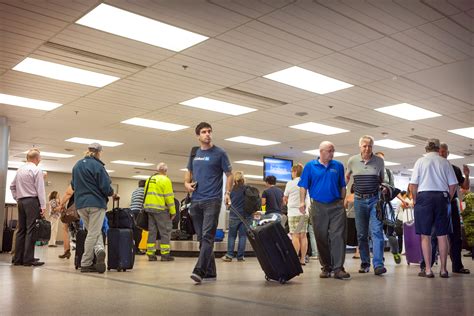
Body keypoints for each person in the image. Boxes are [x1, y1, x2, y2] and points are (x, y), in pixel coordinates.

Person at [185, 122, 233, 284]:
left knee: (207, 237)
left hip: (212, 200)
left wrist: (227, 193)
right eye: (204, 132)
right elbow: (188, 174)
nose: (207, 134)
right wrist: (186, 185)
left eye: (209, 131)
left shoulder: (220, 153)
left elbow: (230, 175)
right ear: (198, 136)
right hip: (196, 201)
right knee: (201, 238)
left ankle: (200, 270)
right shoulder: (194, 153)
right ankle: (211, 272)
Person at [299, 141, 350, 280]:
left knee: (338, 236)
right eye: (329, 151)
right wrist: (302, 201)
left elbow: (343, 185)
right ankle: (327, 266)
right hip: (318, 206)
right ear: (321, 151)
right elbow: (303, 186)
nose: (332, 153)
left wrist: (342, 200)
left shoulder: (338, 166)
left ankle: (338, 268)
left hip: (336, 206)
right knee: (321, 237)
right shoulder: (310, 166)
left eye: (333, 151)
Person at [409, 138, 457, 278]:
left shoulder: (420, 161)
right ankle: (443, 270)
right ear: (438, 148)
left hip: (424, 197)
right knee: (443, 236)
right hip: (442, 197)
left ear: (426, 148)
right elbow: (453, 185)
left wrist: (415, 200)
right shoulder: (445, 162)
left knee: (426, 236)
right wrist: (448, 197)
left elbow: (413, 185)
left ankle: (428, 270)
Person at [346, 135, 386, 275]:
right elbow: (346, 178)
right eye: (364, 145)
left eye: (370, 146)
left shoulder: (379, 161)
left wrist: (385, 188)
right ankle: (365, 263)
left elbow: (382, 180)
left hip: (375, 200)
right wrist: (342, 194)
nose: (367, 148)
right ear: (360, 146)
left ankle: (378, 264)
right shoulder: (353, 161)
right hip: (359, 201)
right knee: (362, 234)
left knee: (376, 232)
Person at [71, 143, 114, 273]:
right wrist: (112, 193)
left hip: (81, 205)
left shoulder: (77, 165)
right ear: (99, 152)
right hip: (96, 204)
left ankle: (100, 250)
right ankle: (86, 263)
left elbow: (73, 185)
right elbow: (105, 187)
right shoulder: (98, 166)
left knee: (93, 231)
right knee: (93, 233)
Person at [10, 149, 46, 266]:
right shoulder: (37, 170)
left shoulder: (20, 170)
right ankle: (28, 259)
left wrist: (17, 198)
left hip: (21, 201)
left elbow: (12, 186)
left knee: (21, 230)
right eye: (39, 158)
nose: (40, 160)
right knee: (31, 230)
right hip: (31, 201)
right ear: (36, 158)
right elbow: (40, 190)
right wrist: (43, 206)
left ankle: (18, 259)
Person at [439, 143, 470, 274]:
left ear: (447, 153)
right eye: (440, 152)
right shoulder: (433, 168)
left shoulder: (454, 169)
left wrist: (467, 175)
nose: (442, 154)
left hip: (451, 204)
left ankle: (457, 266)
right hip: (438, 204)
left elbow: (465, 187)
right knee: (435, 236)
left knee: (456, 236)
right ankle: (427, 266)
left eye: (444, 152)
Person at [375, 151, 407, 264]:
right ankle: (379, 257)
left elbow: (394, 190)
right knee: (376, 233)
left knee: (390, 233)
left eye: (382, 159)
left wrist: (403, 200)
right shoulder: (370, 171)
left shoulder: (388, 172)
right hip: (374, 206)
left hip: (386, 206)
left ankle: (395, 252)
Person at [143, 163, 176, 262]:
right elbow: (169, 197)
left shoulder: (149, 179)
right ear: (165, 171)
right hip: (161, 209)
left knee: (152, 231)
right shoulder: (166, 180)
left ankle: (151, 254)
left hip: (149, 209)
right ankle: (165, 254)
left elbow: (145, 193)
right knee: (164, 232)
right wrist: (173, 212)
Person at [222, 171, 252, 262]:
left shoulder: (231, 189)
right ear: (243, 179)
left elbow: (227, 204)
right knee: (243, 236)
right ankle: (240, 256)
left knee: (231, 236)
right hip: (245, 216)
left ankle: (229, 255)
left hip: (234, 215)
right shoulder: (248, 189)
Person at [284, 164, 308, 265]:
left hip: (293, 213)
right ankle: (302, 259)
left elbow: (285, 198)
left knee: (295, 236)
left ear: (294, 172)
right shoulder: (306, 182)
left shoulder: (290, 183)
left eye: (292, 171)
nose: (291, 173)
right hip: (304, 213)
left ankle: (294, 259)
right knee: (303, 236)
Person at [130, 180, 146, 255]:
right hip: (139, 212)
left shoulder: (135, 191)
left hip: (132, 212)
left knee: (133, 230)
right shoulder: (145, 191)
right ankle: (137, 249)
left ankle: (133, 248)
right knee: (139, 230)